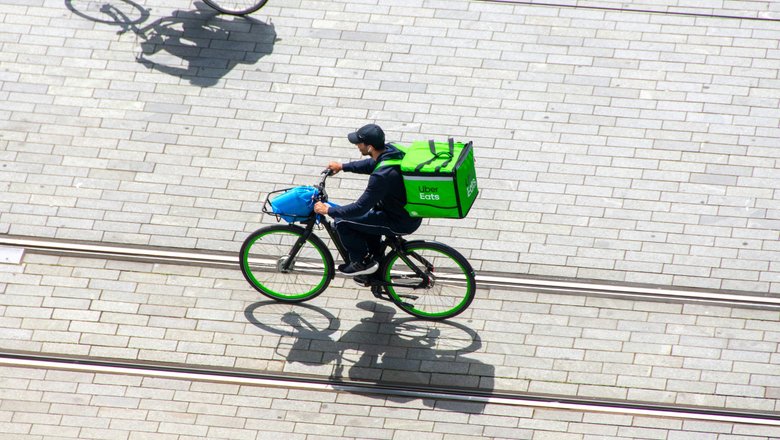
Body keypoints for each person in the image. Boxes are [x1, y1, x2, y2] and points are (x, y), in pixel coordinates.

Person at [313, 124, 422, 276]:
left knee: (341, 221)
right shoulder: (391, 150)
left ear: (369, 147)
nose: (357, 145)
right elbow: (371, 164)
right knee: (364, 220)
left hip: (398, 222)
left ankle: (360, 263)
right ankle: (376, 262)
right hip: (406, 213)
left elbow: (359, 208)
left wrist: (328, 210)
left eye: (359, 143)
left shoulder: (381, 177)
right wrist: (343, 166)